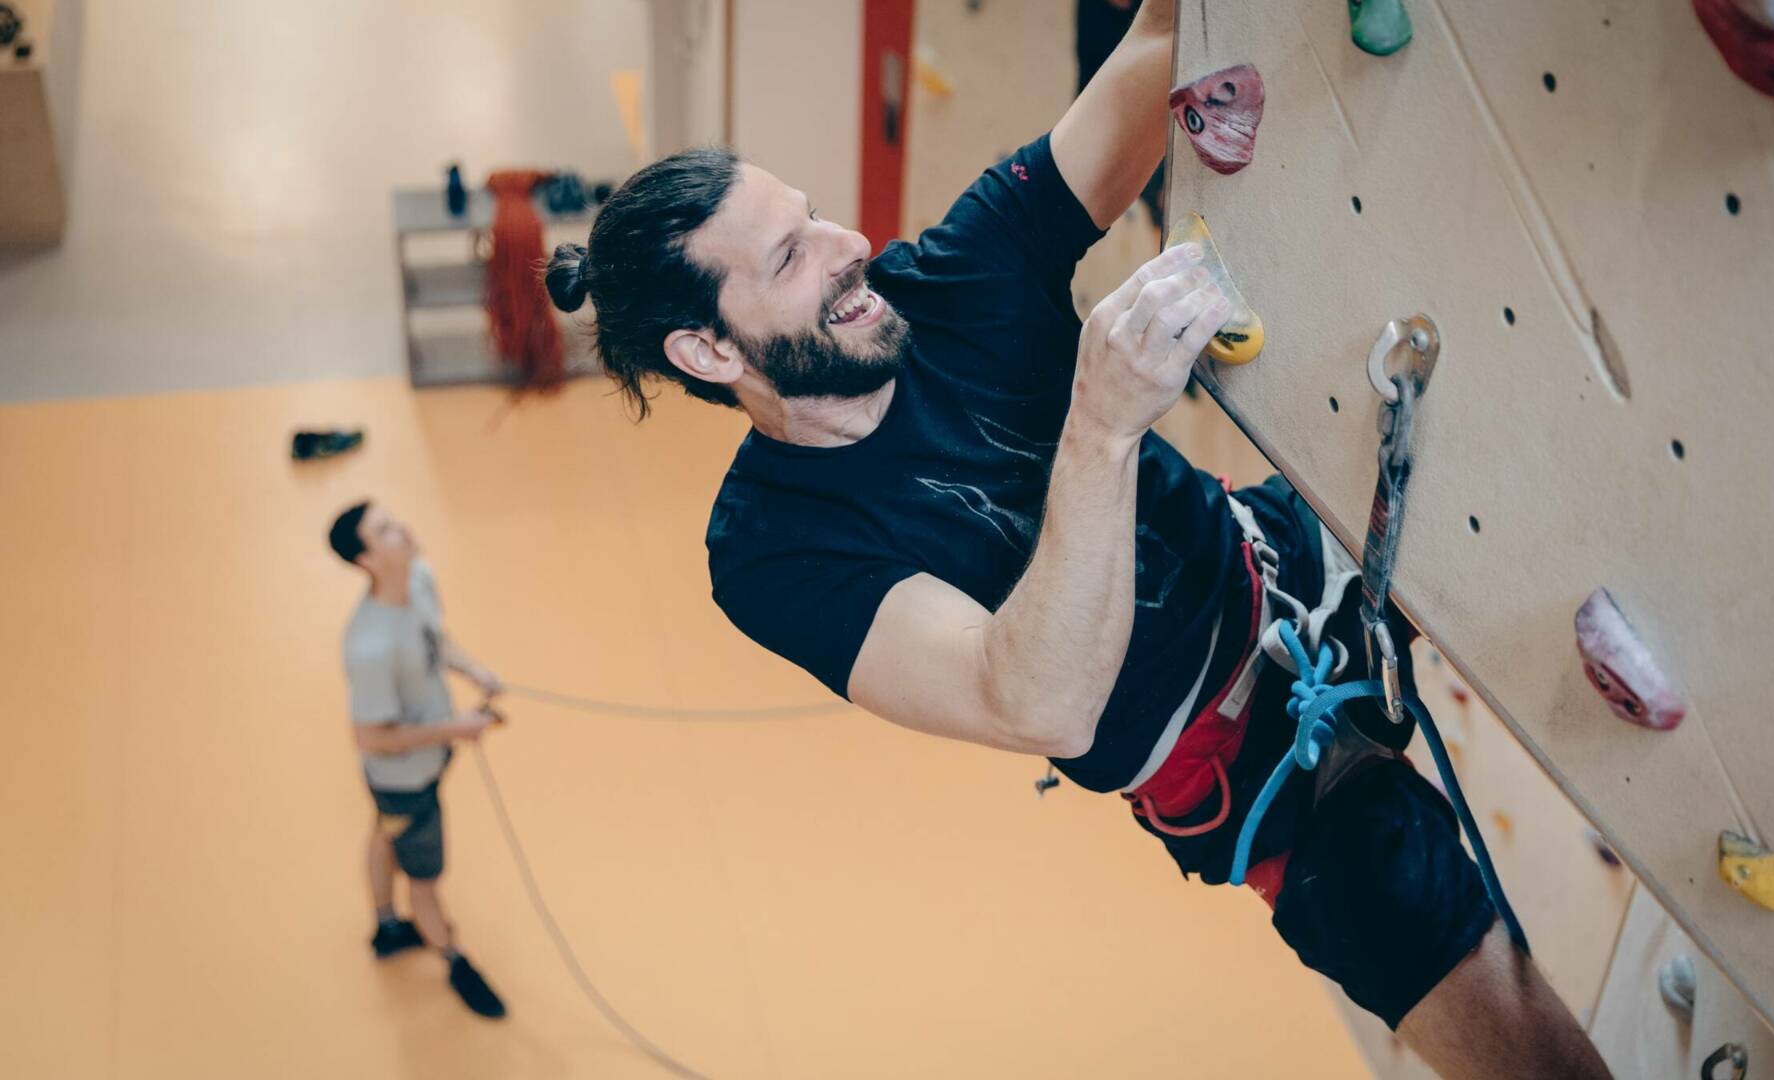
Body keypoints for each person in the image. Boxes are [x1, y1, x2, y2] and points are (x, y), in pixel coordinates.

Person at [543, 2, 1609, 1074]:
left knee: (1543, 488)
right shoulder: (772, 551)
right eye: (789, 257)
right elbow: (1036, 701)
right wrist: (1098, 427)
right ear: (710, 352)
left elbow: (1153, 53)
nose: (850, 246)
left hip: (1284, 558)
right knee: (1524, 1043)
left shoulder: (944, 280)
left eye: (814, 214)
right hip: (1261, 773)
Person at [328, 500, 507, 1020]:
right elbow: (370, 738)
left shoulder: (420, 578)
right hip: (403, 778)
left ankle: (384, 926)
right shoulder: (369, 646)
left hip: (427, 762)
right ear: (366, 560)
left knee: (385, 829)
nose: (401, 529)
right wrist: (457, 728)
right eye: (384, 531)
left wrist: (474, 670)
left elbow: (435, 639)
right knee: (425, 883)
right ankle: (452, 957)